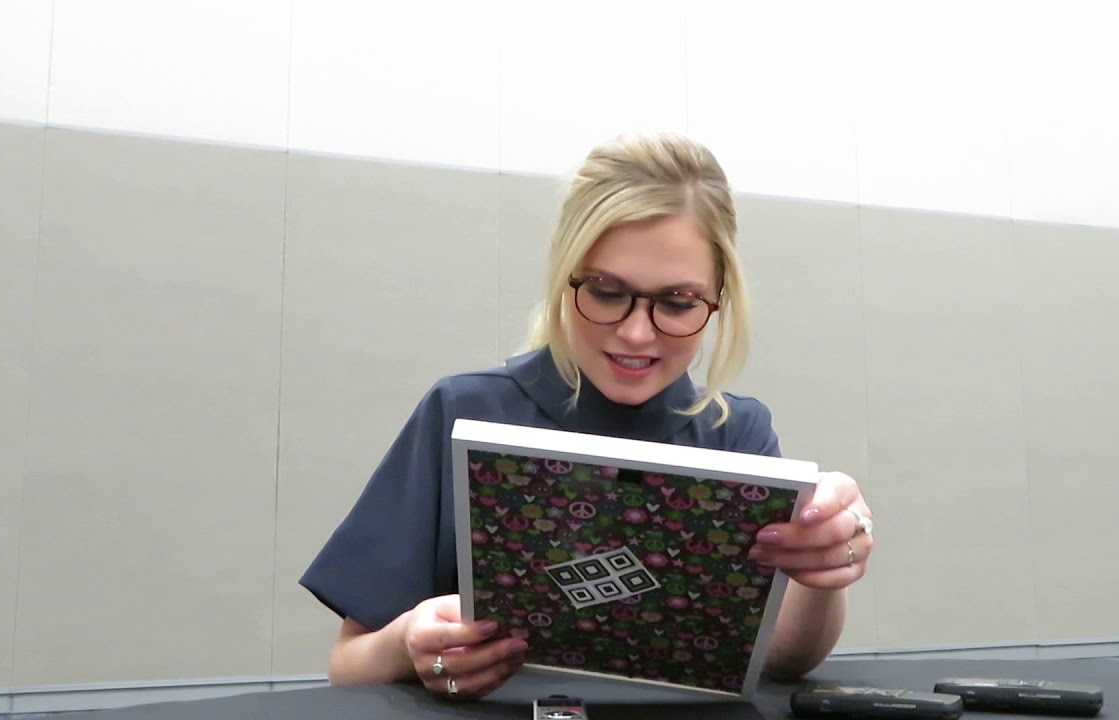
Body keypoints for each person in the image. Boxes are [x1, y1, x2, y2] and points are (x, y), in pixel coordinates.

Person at [300, 133, 874, 699]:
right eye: (604, 292)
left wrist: (824, 565)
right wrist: (406, 642)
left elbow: (784, 659)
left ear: (719, 297)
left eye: (677, 303)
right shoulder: (464, 412)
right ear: (564, 276)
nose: (636, 332)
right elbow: (347, 667)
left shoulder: (734, 434)